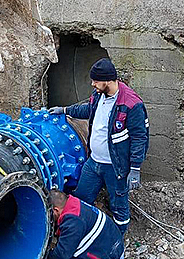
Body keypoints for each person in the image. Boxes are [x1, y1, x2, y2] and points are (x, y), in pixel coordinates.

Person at [49, 58, 149, 235]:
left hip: (115, 167)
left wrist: (134, 168)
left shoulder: (131, 104)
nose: (92, 84)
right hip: (94, 162)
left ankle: (117, 239)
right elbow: (88, 109)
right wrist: (64, 110)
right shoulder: (99, 95)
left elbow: (140, 137)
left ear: (108, 80)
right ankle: (82, 232)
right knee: (81, 197)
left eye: (96, 81)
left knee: (119, 204)